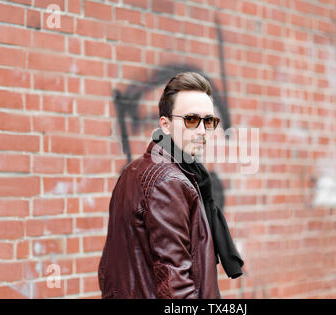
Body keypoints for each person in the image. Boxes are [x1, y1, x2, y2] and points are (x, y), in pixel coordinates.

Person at [98, 71, 244, 299]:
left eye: (209, 121)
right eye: (191, 120)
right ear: (165, 125)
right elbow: (177, 285)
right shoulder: (169, 181)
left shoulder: (135, 170)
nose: (202, 130)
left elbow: (109, 268)